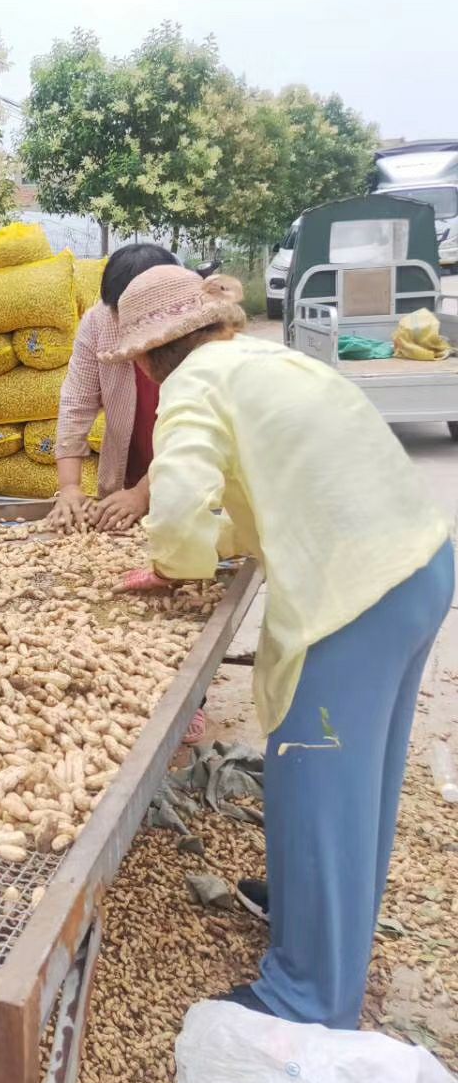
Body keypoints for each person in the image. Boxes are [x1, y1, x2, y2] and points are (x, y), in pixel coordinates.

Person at [102, 264, 451, 1029]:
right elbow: (271, 489)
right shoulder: (265, 357)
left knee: (319, 776)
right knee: (360, 778)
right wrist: (207, 547)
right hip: (421, 565)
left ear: (145, 357)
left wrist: (175, 562)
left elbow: (180, 505)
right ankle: (308, 909)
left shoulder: (193, 385)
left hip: (354, 599)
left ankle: (308, 996)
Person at [51, 243, 178, 535]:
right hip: (129, 473)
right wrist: (69, 486)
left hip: (194, 482)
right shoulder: (99, 321)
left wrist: (144, 493)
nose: (127, 323)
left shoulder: (197, 332)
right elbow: (76, 403)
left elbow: (200, 431)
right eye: (120, 312)